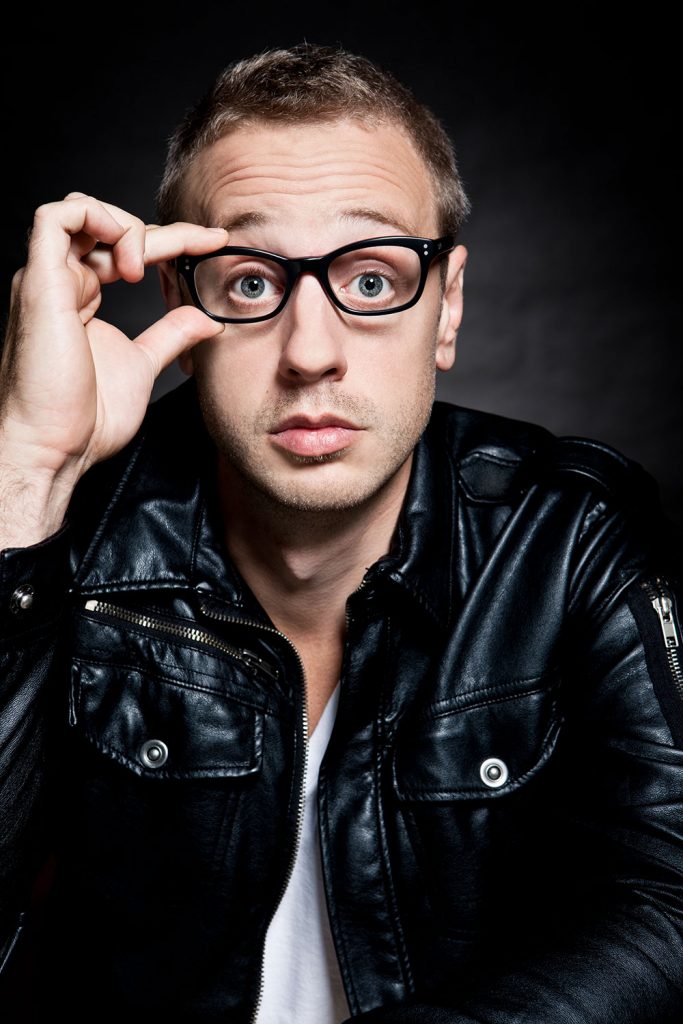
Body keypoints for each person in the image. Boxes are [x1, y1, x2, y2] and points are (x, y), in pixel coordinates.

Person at [0, 41, 682, 1024]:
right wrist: (30, 468)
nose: (310, 353)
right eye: (249, 282)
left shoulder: (568, 537)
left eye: (369, 281)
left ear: (446, 308)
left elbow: (665, 908)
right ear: (181, 306)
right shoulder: (79, 527)